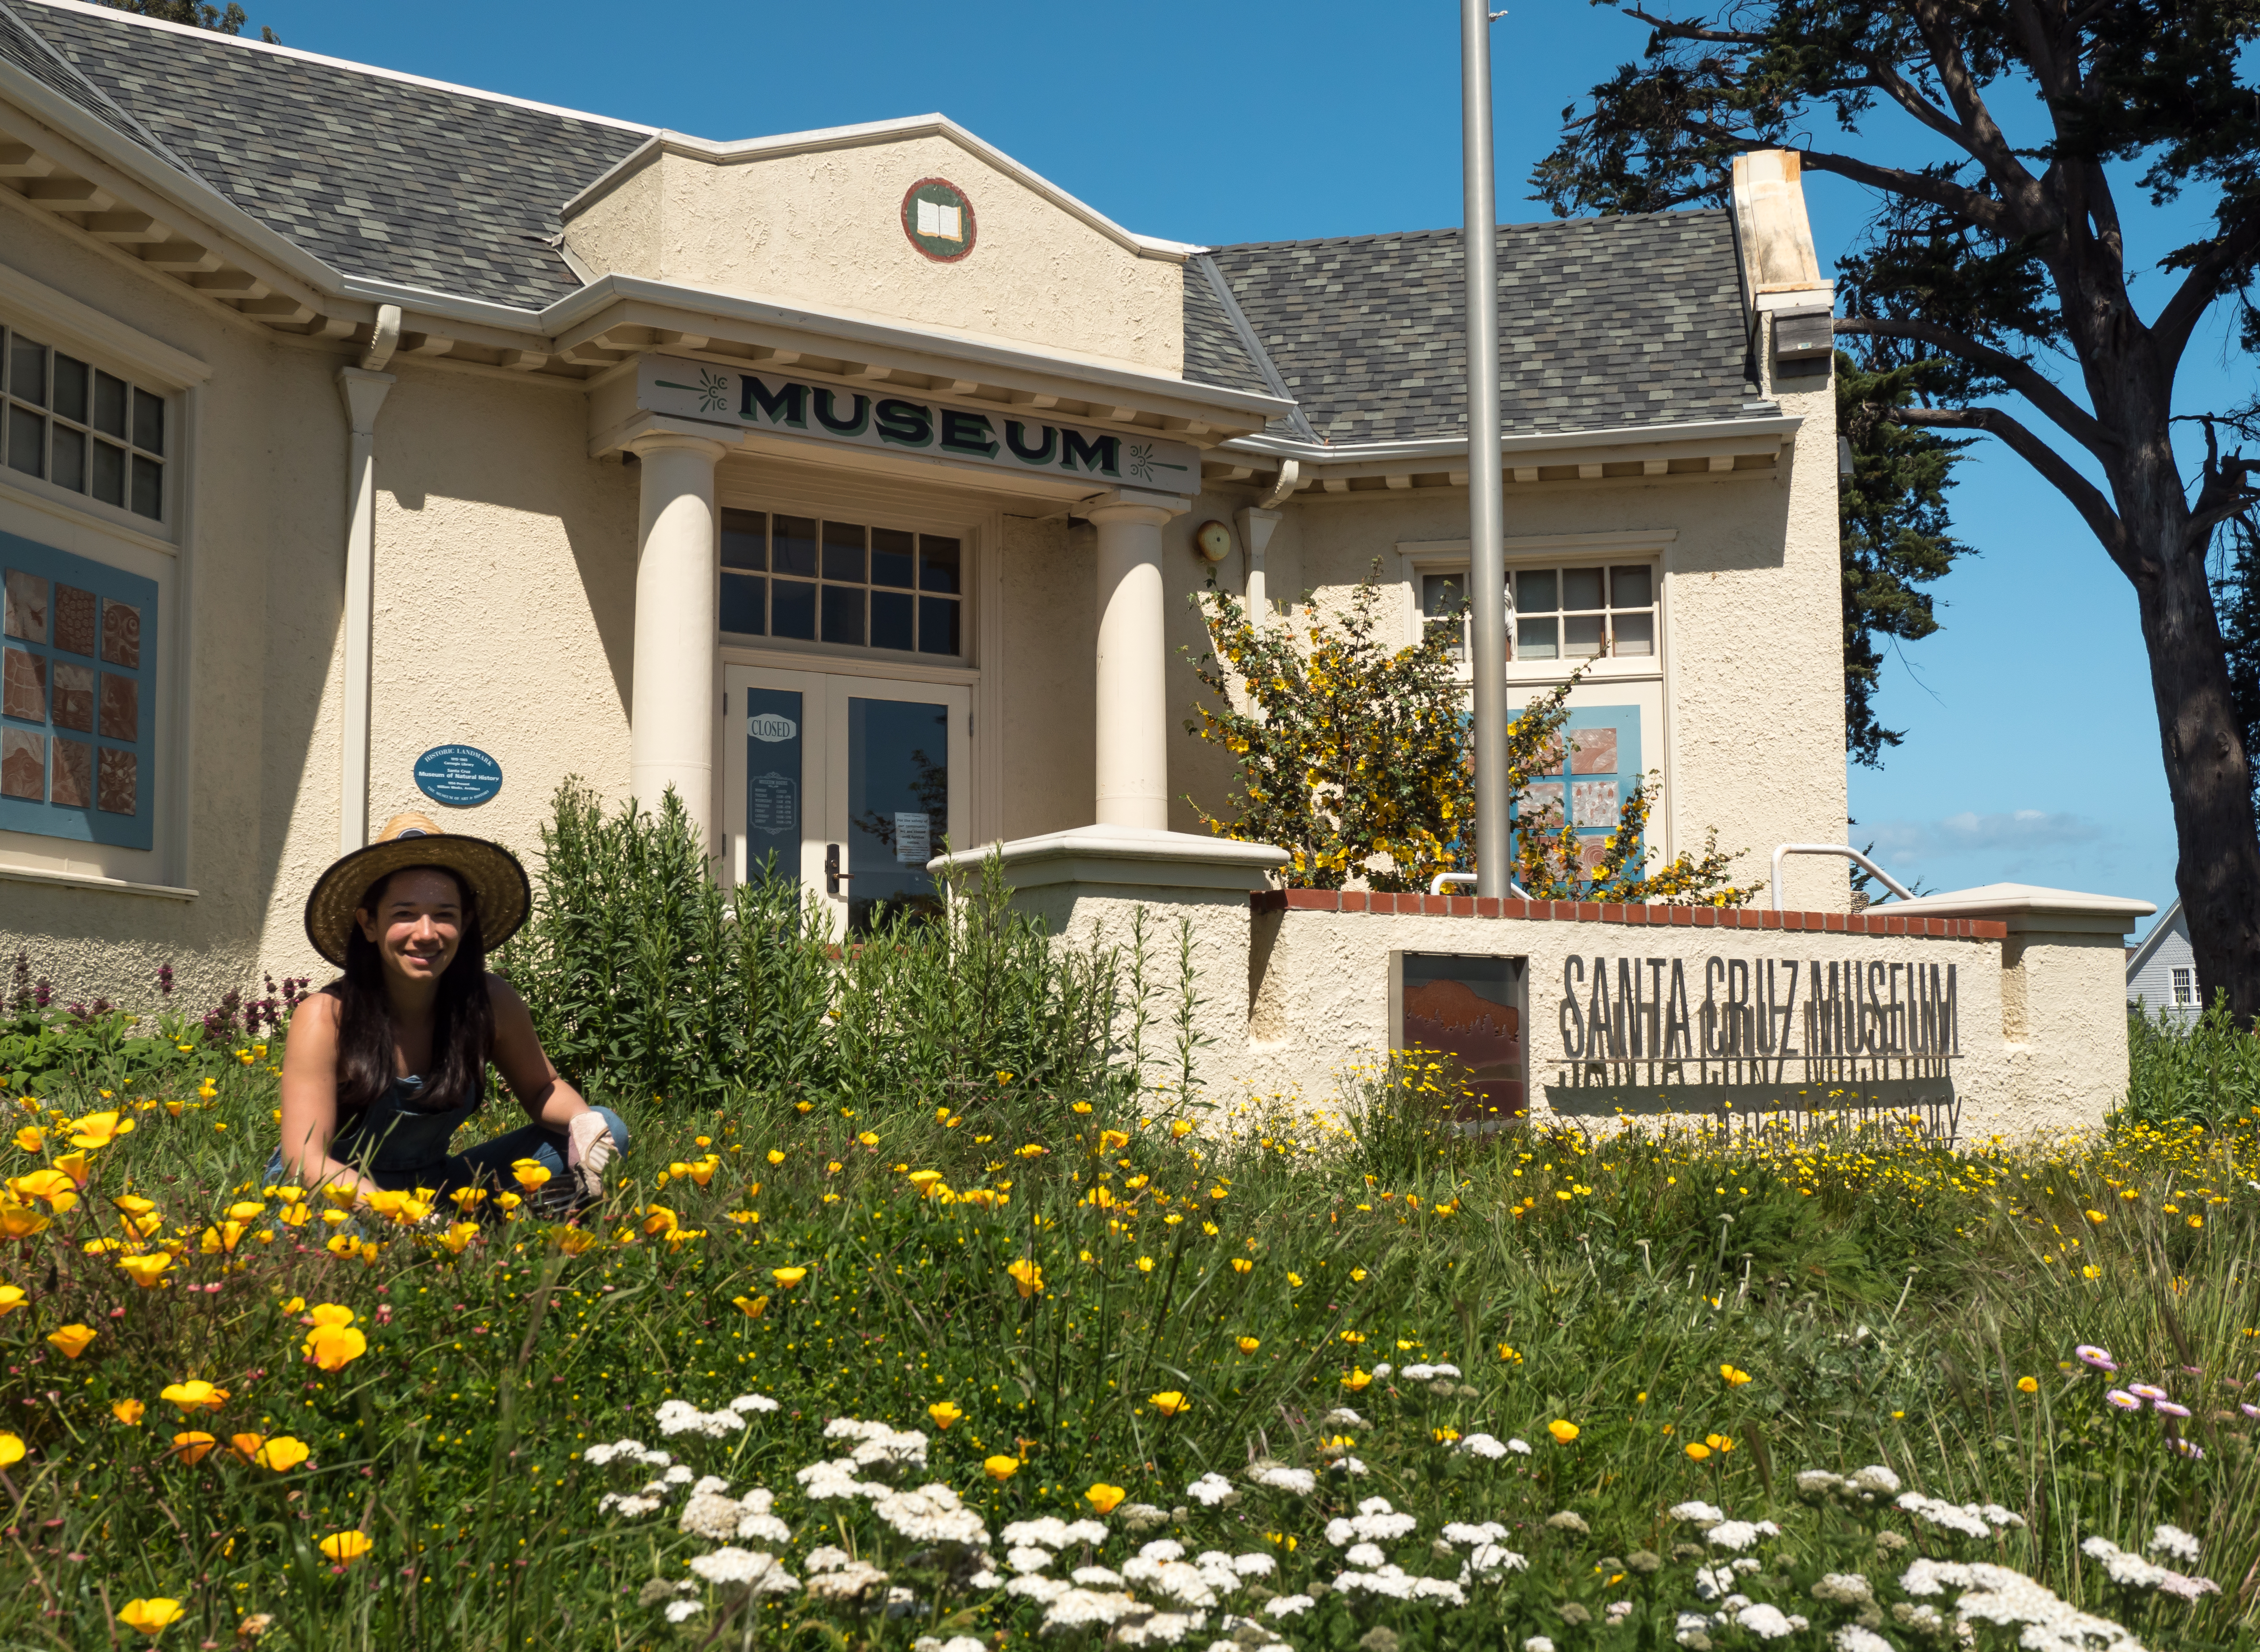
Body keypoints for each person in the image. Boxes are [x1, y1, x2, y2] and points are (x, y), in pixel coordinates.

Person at [273, 812, 624, 1212]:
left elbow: (542, 1089)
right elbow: (305, 1160)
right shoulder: (324, 1017)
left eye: (444, 914)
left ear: (466, 921)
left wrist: (583, 1124)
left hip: (434, 1186)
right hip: (335, 1190)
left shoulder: (490, 1002)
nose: (426, 933)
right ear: (369, 924)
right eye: (404, 914)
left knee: (607, 1126)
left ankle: (545, 1238)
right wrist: (400, 1216)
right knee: (335, 1230)